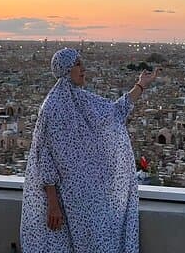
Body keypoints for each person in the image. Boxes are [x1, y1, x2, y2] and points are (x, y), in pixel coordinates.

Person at [20, 48, 160, 253]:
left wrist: (141, 84)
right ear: (66, 69)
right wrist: (53, 204)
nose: (83, 69)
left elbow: (115, 112)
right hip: (68, 200)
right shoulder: (52, 108)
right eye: (77, 64)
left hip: (90, 198)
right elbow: (46, 158)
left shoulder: (83, 100)